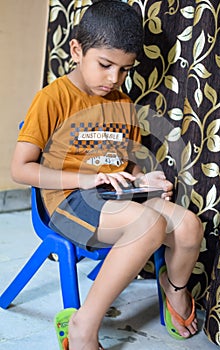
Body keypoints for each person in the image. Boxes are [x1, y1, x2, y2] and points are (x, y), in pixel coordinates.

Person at [11, 1, 204, 349]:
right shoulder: (52, 99)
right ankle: (84, 323)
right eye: (105, 65)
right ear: (76, 50)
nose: (114, 78)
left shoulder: (123, 103)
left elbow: (125, 163)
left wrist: (144, 180)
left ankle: (174, 289)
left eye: (125, 69)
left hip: (115, 195)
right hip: (69, 200)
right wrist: (85, 178)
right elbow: (20, 168)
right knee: (149, 225)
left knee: (189, 226)